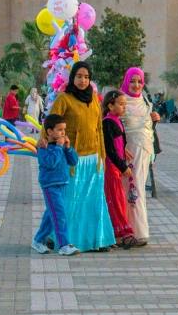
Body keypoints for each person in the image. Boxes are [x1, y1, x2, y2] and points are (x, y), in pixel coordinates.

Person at [51, 62, 117, 251]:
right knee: (72, 200)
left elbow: (99, 129)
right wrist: (53, 144)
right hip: (73, 159)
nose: (83, 80)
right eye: (79, 76)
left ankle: (99, 240)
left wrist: (102, 155)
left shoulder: (95, 99)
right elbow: (51, 122)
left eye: (86, 77)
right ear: (72, 78)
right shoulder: (64, 99)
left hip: (94, 158)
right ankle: (66, 239)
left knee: (94, 200)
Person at [31, 114, 82, 254]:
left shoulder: (62, 146)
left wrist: (68, 148)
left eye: (64, 130)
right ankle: (64, 245)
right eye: (59, 130)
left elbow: (73, 161)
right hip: (50, 185)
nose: (63, 133)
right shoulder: (43, 146)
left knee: (51, 214)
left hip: (63, 184)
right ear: (49, 131)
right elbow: (51, 163)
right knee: (59, 214)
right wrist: (59, 147)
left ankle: (38, 240)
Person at [120, 67, 155, 242]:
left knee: (137, 189)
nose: (136, 85)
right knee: (129, 190)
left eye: (139, 81)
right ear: (126, 81)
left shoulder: (145, 101)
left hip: (144, 152)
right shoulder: (120, 101)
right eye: (132, 81)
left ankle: (137, 231)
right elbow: (111, 127)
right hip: (127, 154)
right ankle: (129, 231)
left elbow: (147, 129)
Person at [101, 89, 136, 247]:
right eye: (121, 104)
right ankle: (121, 233)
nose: (124, 107)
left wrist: (125, 152)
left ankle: (121, 232)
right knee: (115, 200)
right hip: (112, 167)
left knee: (120, 199)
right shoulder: (107, 122)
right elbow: (109, 149)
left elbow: (119, 142)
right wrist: (122, 167)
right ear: (110, 105)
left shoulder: (117, 120)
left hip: (117, 165)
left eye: (125, 104)